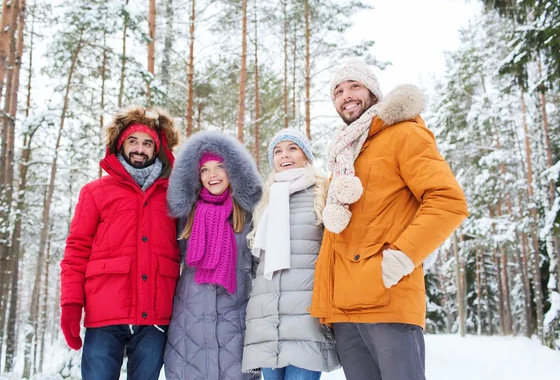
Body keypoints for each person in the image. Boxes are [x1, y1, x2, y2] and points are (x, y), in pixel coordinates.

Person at [310, 60, 469, 380]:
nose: (346, 96)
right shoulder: (345, 153)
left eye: (354, 86)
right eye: (338, 91)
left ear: (373, 92)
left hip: (387, 300)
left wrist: (402, 256)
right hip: (344, 310)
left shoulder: (404, 133)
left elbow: (448, 201)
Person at [60, 106, 181, 379]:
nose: (140, 148)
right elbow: (77, 251)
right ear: (120, 144)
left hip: (155, 318)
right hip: (105, 315)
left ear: (157, 149)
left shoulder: (174, 196)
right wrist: (70, 304)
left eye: (147, 143)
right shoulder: (95, 193)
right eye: (133, 141)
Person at [163, 131, 262, 380]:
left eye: (220, 166)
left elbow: (261, 270)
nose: (213, 175)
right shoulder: (186, 216)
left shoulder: (251, 215)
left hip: (235, 322)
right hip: (190, 324)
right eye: (205, 169)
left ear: (234, 170)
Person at [242, 128, 340, 380]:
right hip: (266, 320)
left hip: (305, 320)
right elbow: (255, 263)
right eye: (278, 151)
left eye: (292, 148)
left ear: (305, 155)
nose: (284, 155)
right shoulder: (264, 200)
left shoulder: (323, 192)